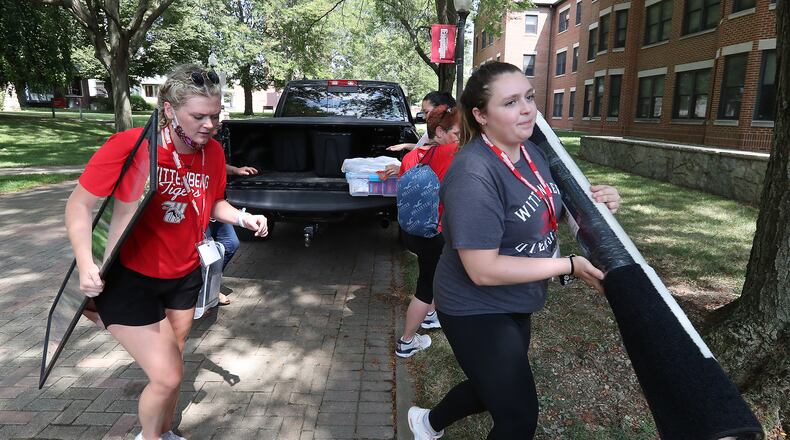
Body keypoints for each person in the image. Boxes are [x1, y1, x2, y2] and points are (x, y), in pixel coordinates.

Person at [407, 61, 621, 439]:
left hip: (517, 299)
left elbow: (549, 208)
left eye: (529, 97)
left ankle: (427, 423)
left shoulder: (532, 154)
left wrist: (597, 204)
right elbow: (483, 269)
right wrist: (567, 266)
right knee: (518, 418)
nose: (526, 109)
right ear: (480, 115)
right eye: (509, 102)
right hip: (474, 305)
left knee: (494, 388)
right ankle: (428, 423)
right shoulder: (473, 173)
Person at [64, 64, 268, 440]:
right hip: (131, 277)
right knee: (168, 374)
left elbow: (211, 204)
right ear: (169, 109)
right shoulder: (131, 146)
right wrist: (84, 261)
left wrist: (243, 217)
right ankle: (149, 437)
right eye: (199, 116)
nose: (209, 125)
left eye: (216, 115)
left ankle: (163, 431)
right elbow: (78, 206)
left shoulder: (213, 156)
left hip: (184, 276)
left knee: (172, 362)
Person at [395, 105, 460, 358]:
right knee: (425, 287)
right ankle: (407, 341)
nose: (461, 137)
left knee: (431, 275)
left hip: (413, 230)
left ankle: (432, 316)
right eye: (457, 132)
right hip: (437, 231)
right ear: (440, 131)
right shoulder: (449, 153)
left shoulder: (411, 157)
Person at [208, 163, 258, 305]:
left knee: (231, 243)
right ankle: (203, 291)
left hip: (216, 205)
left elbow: (218, 164)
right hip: (198, 209)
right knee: (204, 253)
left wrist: (235, 170)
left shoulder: (213, 148)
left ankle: (211, 286)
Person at [388, 91, 456, 152]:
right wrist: (405, 145)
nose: (423, 117)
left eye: (426, 112)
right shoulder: (431, 131)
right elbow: (422, 148)